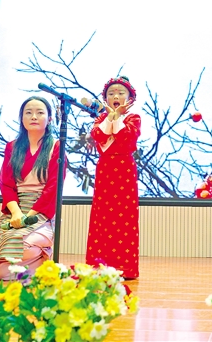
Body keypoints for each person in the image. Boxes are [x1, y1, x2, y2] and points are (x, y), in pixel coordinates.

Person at [0, 96, 63, 280]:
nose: (34, 117)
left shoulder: (56, 147)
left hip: (41, 211)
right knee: (1, 249)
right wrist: (16, 214)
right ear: (22, 118)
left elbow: (53, 188)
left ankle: (36, 259)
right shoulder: (12, 147)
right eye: (28, 113)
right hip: (16, 208)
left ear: (50, 119)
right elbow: (6, 184)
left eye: (40, 112)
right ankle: (36, 267)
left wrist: (28, 216)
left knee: (23, 246)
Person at [86, 76, 141, 279]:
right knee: (102, 216)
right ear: (105, 99)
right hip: (105, 169)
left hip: (125, 169)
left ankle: (124, 267)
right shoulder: (101, 120)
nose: (115, 96)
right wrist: (111, 117)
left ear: (130, 98)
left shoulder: (134, 118)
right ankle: (99, 264)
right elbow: (98, 136)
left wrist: (117, 117)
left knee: (124, 217)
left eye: (120, 93)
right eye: (111, 93)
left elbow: (125, 138)